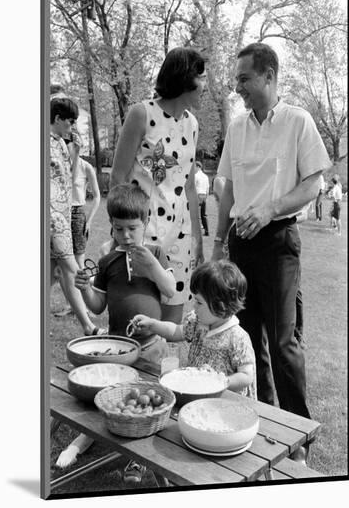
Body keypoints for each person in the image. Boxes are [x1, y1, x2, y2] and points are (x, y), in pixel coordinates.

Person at [212, 42, 331, 462]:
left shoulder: (298, 121)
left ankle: (299, 442)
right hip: (241, 244)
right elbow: (225, 188)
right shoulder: (238, 127)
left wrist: (268, 209)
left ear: (268, 76)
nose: (238, 88)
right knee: (248, 339)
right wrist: (218, 243)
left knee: (283, 342)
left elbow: (313, 183)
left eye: (243, 79)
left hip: (280, 242)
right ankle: (263, 427)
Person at [56, 183, 176, 481]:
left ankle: (138, 459)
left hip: (151, 347)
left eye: (132, 228)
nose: (125, 236)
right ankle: (82, 440)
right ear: (111, 226)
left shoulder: (157, 254)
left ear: (146, 223)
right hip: (119, 349)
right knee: (112, 400)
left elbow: (170, 289)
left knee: (146, 404)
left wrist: (151, 265)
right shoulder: (108, 261)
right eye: (119, 228)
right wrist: (84, 290)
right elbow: (97, 306)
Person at [110, 46, 207, 324]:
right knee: (138, 317)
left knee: (172, 322)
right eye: (202, 78)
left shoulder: (193, 124)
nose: (205, 86)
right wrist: (125, 232)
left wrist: (197, 238)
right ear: (186, 79)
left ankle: (167, 369)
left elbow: (188, 185)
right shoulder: (141, 113)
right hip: (143, 233)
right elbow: (119, 177)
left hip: (180, 237)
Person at [132, 260, 256, 399]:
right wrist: (152, 324)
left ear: (220, 306)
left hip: (225, 401)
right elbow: (175, 331)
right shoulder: (197, 321)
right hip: (197, 393)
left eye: (199, 302)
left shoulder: (237, 337)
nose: (194, 306)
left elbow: (246, 376)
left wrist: (221, 381)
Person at [50, 97, 105, 336]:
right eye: (70, 121)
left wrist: (75, 155)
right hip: (53, 218)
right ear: (57, 118)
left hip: (65, 212)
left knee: (57, 271)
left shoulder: (61, 143)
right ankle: (91, 323)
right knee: (73, 268)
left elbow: (69, 182)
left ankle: (87, 325)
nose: (72, 126)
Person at [54, 156, 101, 317]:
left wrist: (89, 220)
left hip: (77, 213)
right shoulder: (58, 162)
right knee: (61, 263)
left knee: (79, 263)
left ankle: (85, 306)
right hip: (59, 213)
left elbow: (97, 196)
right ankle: (71, 305)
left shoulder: (86, 166)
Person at [195, 161, 210, 236]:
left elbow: (193, 187)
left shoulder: (196, 176)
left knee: (196, 214)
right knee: (203, 214)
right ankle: (207, 231)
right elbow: (208, 188)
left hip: (198, 195)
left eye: (195, 167)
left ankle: (197, 231)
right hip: (204, 195)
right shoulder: (205, 176)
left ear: (198, 167)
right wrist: (206, 197)